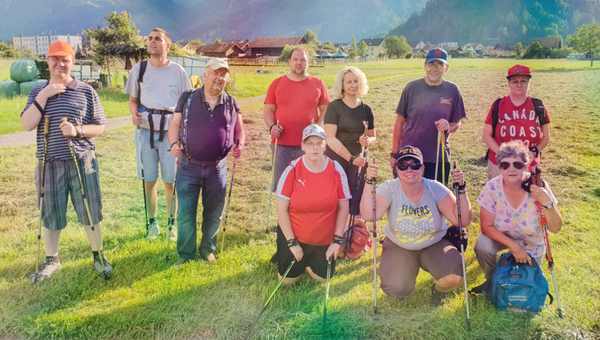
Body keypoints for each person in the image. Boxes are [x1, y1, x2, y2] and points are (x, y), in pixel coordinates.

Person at [21, 41, 112, 280]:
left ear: (73, 62)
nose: (61, 63)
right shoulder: (37, 92)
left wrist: (78, 131)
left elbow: (100, 127)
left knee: (91, 210)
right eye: (56, 59)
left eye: (66, 59)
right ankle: (52, 259)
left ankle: (99, 256)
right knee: (51, 213)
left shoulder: (86, 91)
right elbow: (27, 124)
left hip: (83, 161)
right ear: (48, 61)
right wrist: (45, 95)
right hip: (49, 163)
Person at [360, 146, 472, 305]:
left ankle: (438, 291)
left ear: (423, 168)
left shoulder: (434, 188)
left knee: (453, 278)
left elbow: (463, 220)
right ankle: (407, 269)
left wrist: (461, 189)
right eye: (403, 165)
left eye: (415, 165)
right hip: (400, 244)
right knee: (396, 289)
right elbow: (369, 215)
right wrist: (368, 182)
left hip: (434, 243)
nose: (409, 169)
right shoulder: (390, 188)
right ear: (396, 169)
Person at [169, 58, 245, 266]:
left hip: (217, 168)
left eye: (224, 74)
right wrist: (174, 143)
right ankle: (185, 254)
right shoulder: (188, 98)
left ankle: (207, 249)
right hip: (188, 165)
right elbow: (175, 125)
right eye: (215, 73)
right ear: (205, 75)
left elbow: (239, 130)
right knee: (186, 213)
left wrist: (239, 144)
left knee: (214, 213)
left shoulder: (231, 101)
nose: (219, 78)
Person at [124, 28, 192, 239]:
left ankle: (172, 223)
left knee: (171, 180)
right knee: (150, 179)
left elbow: (187, 103)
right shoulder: (139, 69)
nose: (152, 42)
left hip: (172, 134)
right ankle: (152, 222)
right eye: (150, 39)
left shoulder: (178, 71)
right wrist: (134, 114)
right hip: (146, 132)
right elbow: (133, 100)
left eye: (157, 39)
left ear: (167, 46)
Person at [274, 124, 351, 284]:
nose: (314, 148)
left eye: (319, 143)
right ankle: (289, 253)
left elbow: (344, 207)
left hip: (324, 239)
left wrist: (337, 241)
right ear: (302, 146)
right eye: (310, 143)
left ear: (325, 146)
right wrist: (292, 242)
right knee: (286, 282)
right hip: (295, 236)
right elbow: (281, 209)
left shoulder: (337, 169)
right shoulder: (292, 170)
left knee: (322, 280)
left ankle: (308, 261)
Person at [474, 140, 562, 278]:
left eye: (518, 164)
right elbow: (486, 226)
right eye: (505, 165)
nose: (511, 169)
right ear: (499, 167)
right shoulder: (492, 187)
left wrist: (547, 203)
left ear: (526, 166)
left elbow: (556, 228)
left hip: (532, 242)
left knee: (525, 281)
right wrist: (515, 247)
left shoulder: (538, 186)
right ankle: (492, 280)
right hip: (502, 237)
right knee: (483, 245)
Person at [389, 48, 466, 183]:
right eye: (431, 64)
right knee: (407, 199)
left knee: (436, 200)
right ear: (425, 66)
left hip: (438, 156)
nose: (434, 69)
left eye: (439, 65)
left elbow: (457, 122)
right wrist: (394, 154)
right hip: (409, 155)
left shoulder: (453, 90)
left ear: (446, 68)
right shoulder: (411, 88)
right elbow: (399, 123)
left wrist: (448, 126)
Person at [263, 46, 331, 193]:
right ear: (289, 62)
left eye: (302, 60)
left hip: (309, 145)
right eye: (295, 59)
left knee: (308, 186)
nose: (298, 63)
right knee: (282, 187)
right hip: (281, 145)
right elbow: (268, 110)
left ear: (308, 63)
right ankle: (283, 216)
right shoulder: (277, 83)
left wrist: (319, 126)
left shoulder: (318, 83)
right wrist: (271, 127)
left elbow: (325, 109)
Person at [482, 64, 551, 180]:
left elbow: (546, 137)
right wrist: (504, 156)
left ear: (529, 83)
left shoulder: (538, 105)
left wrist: (534, 152)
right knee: (499, 197)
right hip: (500, 165)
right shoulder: (499, 104)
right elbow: (486, 136)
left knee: (528, 196)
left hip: (529, 164)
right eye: (514, 81)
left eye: (523, 81)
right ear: (508, 83)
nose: (519, 85)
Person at [324, 66, 376, 216]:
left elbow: (373, 136)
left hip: (360, 161)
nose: (353, 85)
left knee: (358, 198)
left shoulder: (367, 109)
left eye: (356, 81)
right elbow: (330, 138)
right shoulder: (334, 107)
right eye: (349, 82)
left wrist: (367, 141)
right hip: (338, 159)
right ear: (342, 85)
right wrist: (351, 158)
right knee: (337, 197)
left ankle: (356, 232)